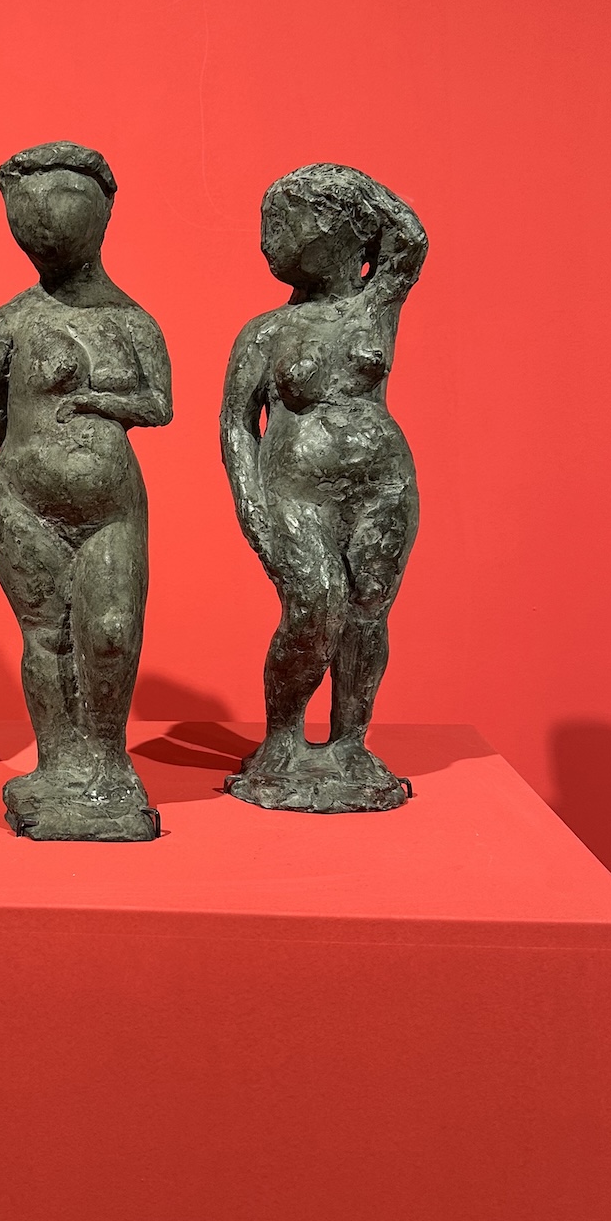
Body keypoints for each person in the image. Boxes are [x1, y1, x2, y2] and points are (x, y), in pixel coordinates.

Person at [0, 142, 172, 840]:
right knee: (46, 636)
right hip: (22, 501)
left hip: (109, 506)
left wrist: (94, 401)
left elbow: (160, 404)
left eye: (64, 203)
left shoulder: (131, 320)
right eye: (28, 211)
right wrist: (38, 456)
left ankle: (109, 764)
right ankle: (57, 764)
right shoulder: (8, 322)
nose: (45, 224)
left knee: (110, 632)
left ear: (102, 212)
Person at [220, 162, 427, 812]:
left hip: (383, 486)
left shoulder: (375, 306)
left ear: (341, 230)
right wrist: (252, 508)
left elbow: (410, 239)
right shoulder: (266, 332)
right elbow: (235, 425)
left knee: (367, 610)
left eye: (285, 222)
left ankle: (349, 742)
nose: (269, 240)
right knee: (315, 603)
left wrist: (347, 189)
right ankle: (283, 737)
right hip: (296, 491)